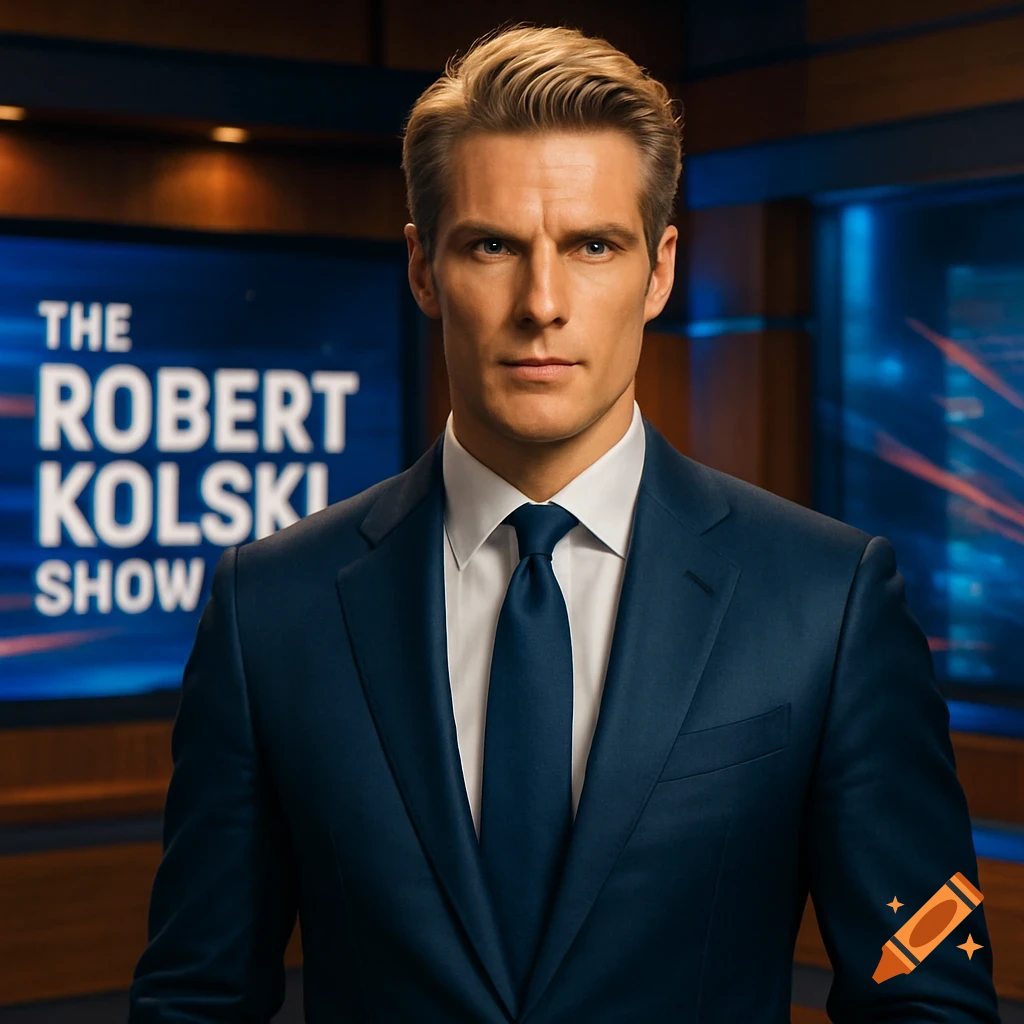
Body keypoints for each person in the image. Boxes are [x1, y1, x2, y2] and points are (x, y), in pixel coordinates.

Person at [128, 23, 1002, 1023]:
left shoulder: (826, 602)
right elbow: (194, 1000)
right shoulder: (269, 608)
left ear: (660, 269)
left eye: (592, 245)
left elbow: (927, 1004)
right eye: (493, 246)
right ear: (422, 269)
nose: (541, 303)